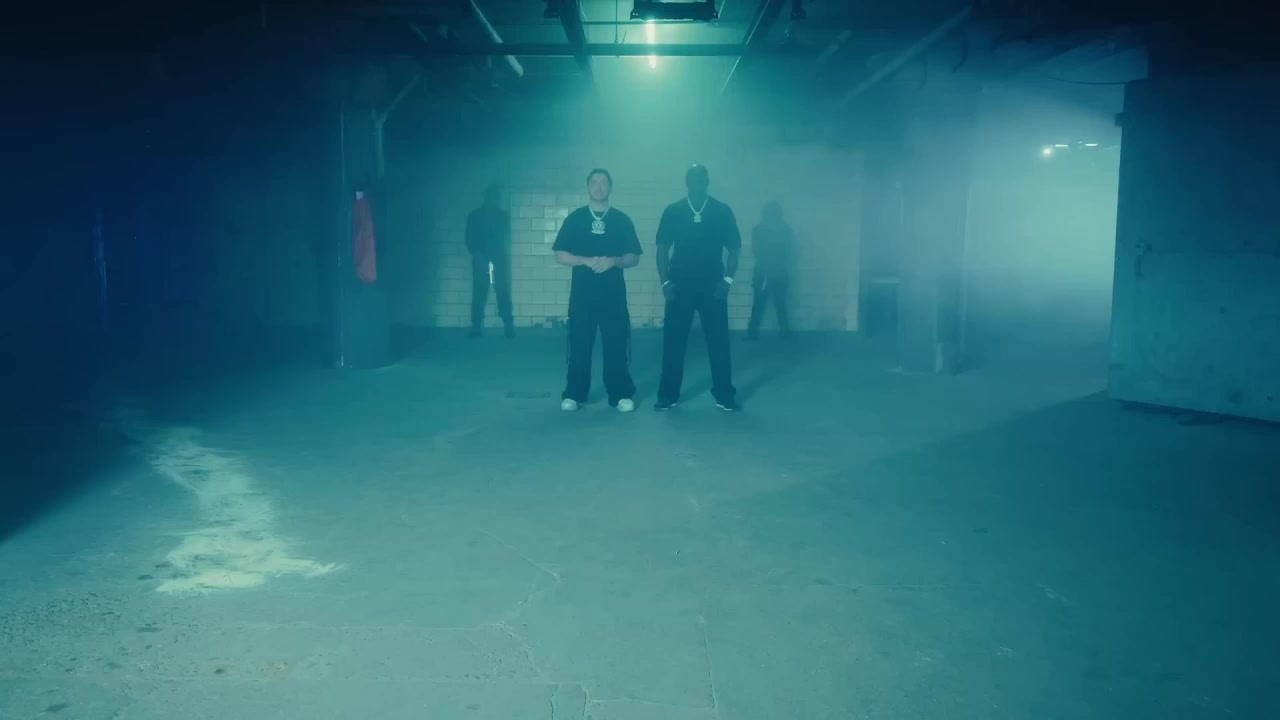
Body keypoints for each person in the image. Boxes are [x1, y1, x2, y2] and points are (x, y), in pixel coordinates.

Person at [552, 168, 643, 413]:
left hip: (613, 296)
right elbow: (560, 255)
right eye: (594, 182)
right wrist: (583, 260)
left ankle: (620, 393)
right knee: (580, 343)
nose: (599, 186)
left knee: (616, 344)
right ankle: (574, 394)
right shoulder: (576, 218)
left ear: (610, 187)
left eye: (603, 182)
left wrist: (614, 261)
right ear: (588, 187)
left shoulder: (621, 220)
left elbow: (634, 257)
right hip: (582, 296)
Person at [655, 164, 741, 412]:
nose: (696, 181)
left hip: (713, 287)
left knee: (719, 343)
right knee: (673, 343)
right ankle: (668, 395)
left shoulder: (722, 211)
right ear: (686, 181)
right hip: (679, 287)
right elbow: (662, 249)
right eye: (691, 177)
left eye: (700, 177)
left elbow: (734, 250)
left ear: (707, 181)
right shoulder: (673, 211)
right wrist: (665, 282)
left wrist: (727, 281)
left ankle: (724, 394)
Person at [465, 184, 515, 338]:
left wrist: (477, 253)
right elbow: (470, 239)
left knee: (488, 291)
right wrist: (478, 254)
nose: (495, 200)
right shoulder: (501, 216)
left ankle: (480, 326)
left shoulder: (476, 216)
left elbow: (469, 239)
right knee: (496, 291)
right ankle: (507, 325)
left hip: (489, 258)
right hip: (491, 258)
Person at [746, 201, 794, 340]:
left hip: (768, 272)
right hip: (769, 272)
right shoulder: (783, 230)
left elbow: (759, 250)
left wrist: (770, 254)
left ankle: (754, 333)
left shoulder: (761, 230)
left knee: (771, 304)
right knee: (771, 304)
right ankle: (781, 333)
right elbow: (759, 250)